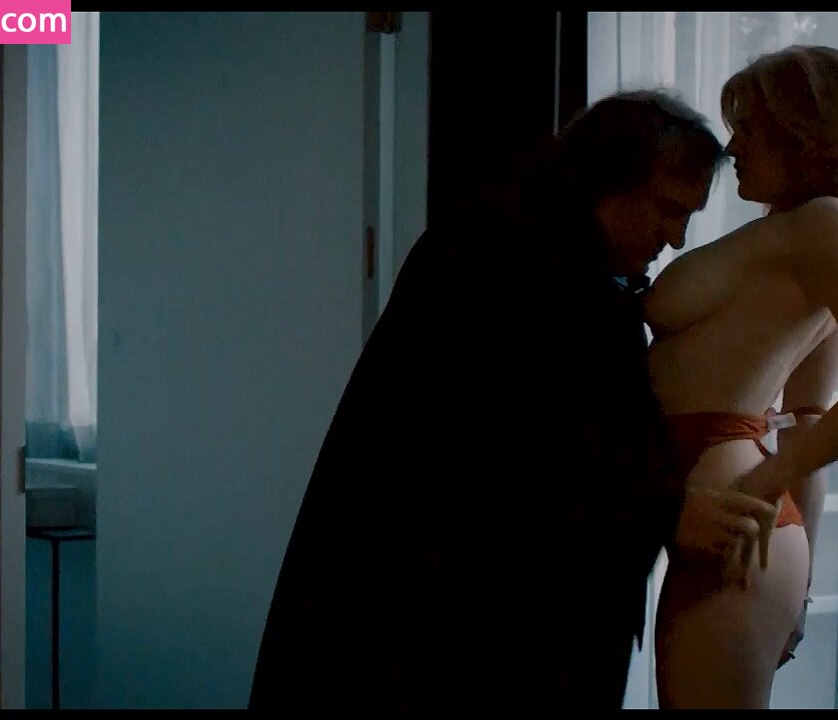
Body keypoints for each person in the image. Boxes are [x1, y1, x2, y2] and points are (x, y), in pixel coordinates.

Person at [248, 89, 780, 710]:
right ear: (607, 180)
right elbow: (506, 454)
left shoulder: (519, 249)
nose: (678, 238)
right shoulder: (515, 267)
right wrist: (660, 511)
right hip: (455, 636)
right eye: (668, 208)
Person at [643, 45, 838, 709]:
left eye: (750, 128)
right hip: (739, 523)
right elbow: (807, 417)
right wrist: (799, 586)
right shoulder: (803, 234)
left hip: (737, 520)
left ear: (805, 133)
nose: (732, 147)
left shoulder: (827, 225)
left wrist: (765, 482)